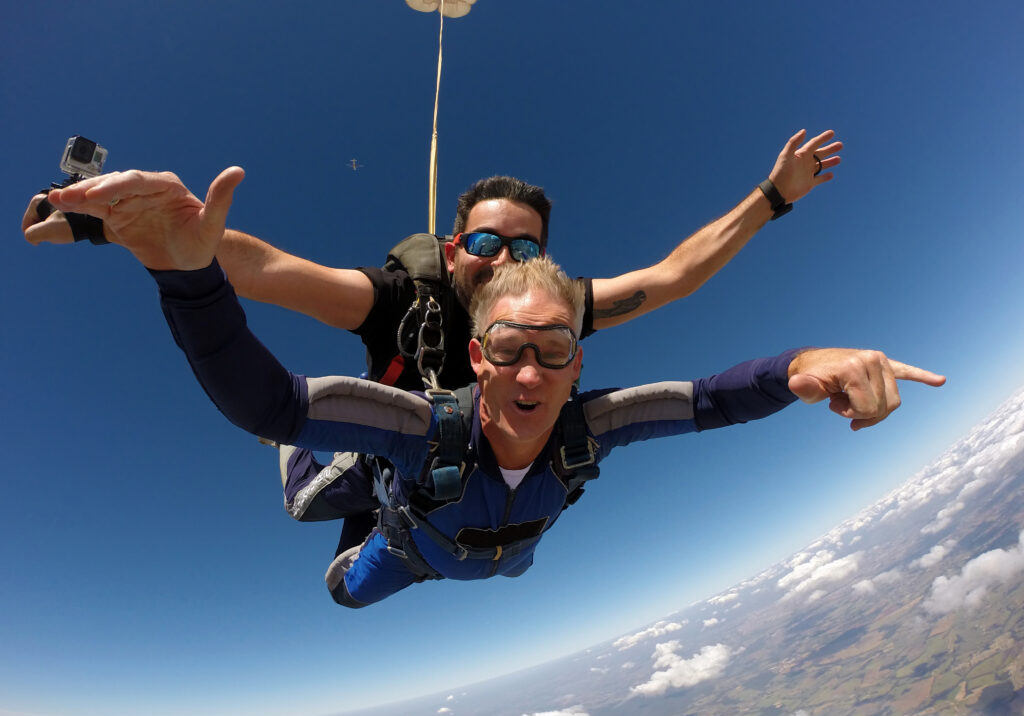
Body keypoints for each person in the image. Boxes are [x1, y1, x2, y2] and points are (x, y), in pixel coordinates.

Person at [46, 167, 945, 609]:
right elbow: (271, 268)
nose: (504, 263)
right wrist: (153, 241)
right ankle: (313, 469)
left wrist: (772, 201)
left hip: (484, 512)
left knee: (485, 526)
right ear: (452, 251)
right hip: (389, 452)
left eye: (525, 249)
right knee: (319, 499)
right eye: (485, 245)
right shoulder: (393, 298)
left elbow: (678, 288)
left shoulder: (554, 322)